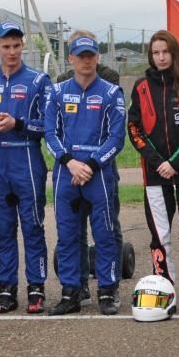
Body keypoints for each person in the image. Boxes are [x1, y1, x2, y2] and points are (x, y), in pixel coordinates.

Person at [128, 30, 179, 314]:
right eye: (155, 52)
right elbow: (134, 129)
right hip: (154, 174)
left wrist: (174, 162)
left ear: (174, 53)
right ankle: (164, 288)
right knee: (159, 235)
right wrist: (157, 161)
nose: (161, 57)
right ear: (151, 55)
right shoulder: (140, 87)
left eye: (165, 52)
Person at [0, 21, 50, 313]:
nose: (12, 52)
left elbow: (48, 126)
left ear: (23, 46)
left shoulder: (38, 80)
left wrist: (17, 123)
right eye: (6, 46)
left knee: (32, 225)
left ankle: (36, 287)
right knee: (2, 228)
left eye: (17, 46)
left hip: (26, 160)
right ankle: (6, 288)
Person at [45, 34, 125, 316]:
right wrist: (70, 163)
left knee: (104, 233)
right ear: (71, 59)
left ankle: (107, 290)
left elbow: (117, 138)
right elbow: (50, 133)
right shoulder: (56, 92)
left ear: (98, 58)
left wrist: (90, 165)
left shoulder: (112, 93)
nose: (86, 60)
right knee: (67, 235)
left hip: (98, 174)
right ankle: (71, 292)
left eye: (91, 55)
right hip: (67, 174)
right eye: (81, 56)